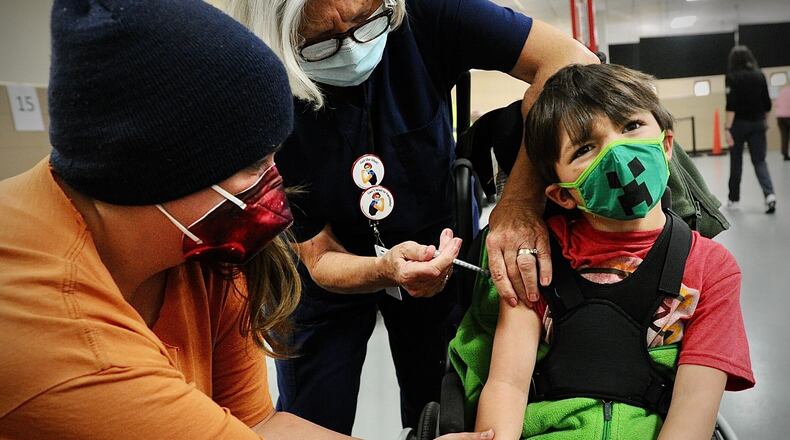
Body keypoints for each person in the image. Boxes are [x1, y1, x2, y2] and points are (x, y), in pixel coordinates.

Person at [0, 2, 489, 439]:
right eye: (256, 166)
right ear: (157, 176)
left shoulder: (205, 250)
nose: (275, 183)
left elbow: (258, 423)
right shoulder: (60, 338)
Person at [226, 0, 598, 433]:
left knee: (440, 408)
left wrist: (519, 201)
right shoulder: (261, 88)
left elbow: (572, 61)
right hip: (326, 280)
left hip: (436, 254)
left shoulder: (426, 12)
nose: (352, 47)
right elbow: (319, 257)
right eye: (323, 42)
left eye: (368, 22)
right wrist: (384, 270)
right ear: (282, 40)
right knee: (310, 417)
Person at [450, 64, 754, 439]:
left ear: (667, 145)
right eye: (585, 148)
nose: (617, 152)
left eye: (631, 127)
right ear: (563, 193)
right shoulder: (535, 257)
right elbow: (508, 386)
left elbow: (693, 411)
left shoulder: (711, 269)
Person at [724, 45, 776, 214]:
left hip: (738, 125)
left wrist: (727, 129)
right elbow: (767, 104)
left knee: (736, 161)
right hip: (758, 123)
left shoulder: (731, 77)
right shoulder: (760, 75)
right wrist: (764, 122)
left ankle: (734, 200)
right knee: (760, 161)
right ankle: (770, 195)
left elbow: (731, 106)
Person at [775, 85, 790, 161]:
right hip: (788, 115)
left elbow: (776, 104)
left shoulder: (782, 91)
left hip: (779, 116)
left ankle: (785, 155)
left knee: (784, 135)